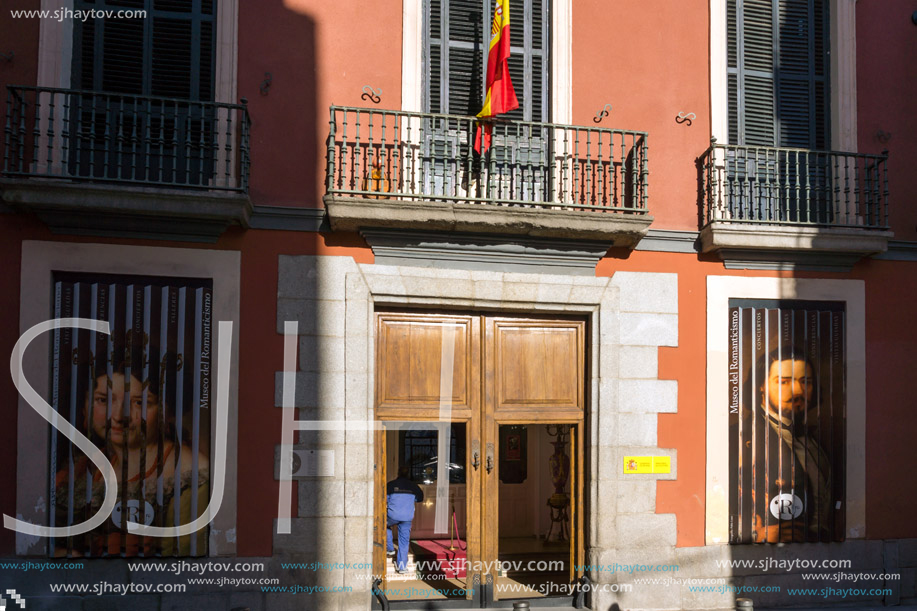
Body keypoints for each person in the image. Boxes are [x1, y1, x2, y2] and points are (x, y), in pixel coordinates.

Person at [54, 339, 209, 557]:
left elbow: (182, 561)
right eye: (104, 400)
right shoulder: (86, 468)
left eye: (139, 403)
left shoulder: (187, 470)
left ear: (167, 409)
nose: (118, 416)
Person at [737, 346, 836, 543]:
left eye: (805, 382)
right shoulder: (740, 438)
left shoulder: (813, 443)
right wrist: (760, 535)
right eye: (783, 382)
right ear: (761, 385)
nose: (798, 391)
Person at [386, 466, 424, 573]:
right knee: (404, 541)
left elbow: (385, 498)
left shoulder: (391, 484)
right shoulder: (413, 486)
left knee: (384, 525)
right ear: (408, 475)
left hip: (392, 516)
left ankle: (390, 549)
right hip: (407, 517)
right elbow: (420, 498)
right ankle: (402, 567)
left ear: (398, 473)